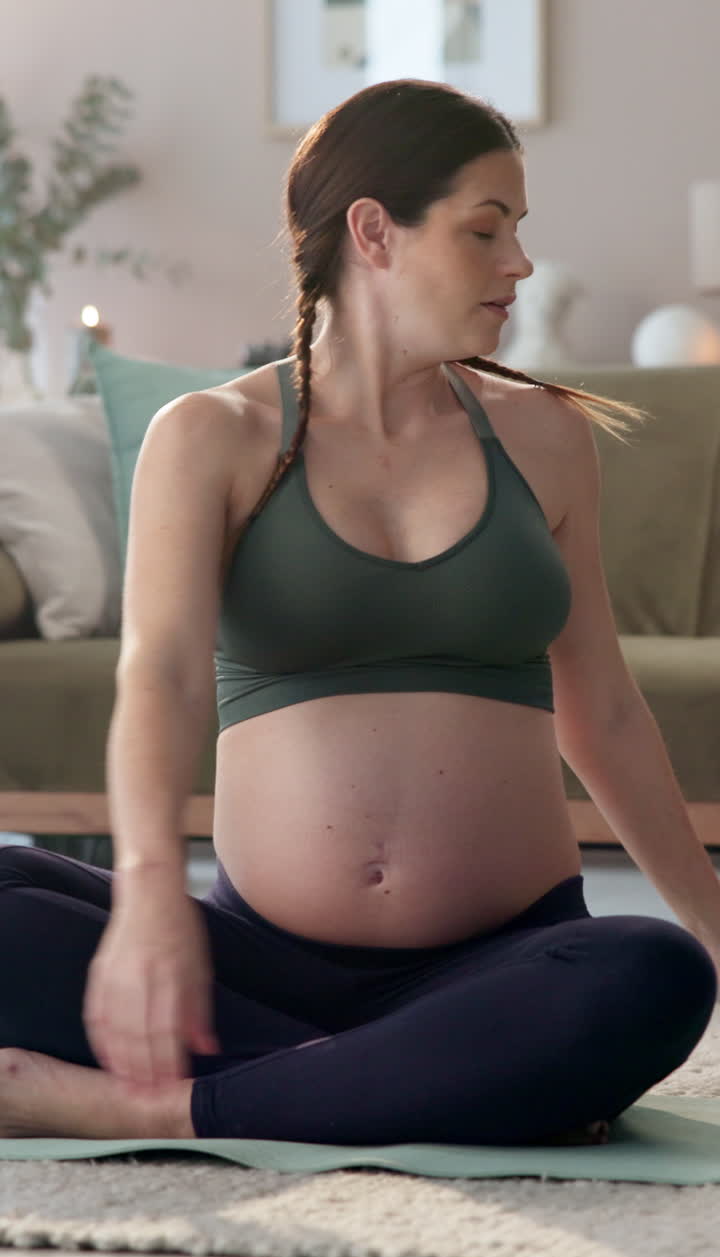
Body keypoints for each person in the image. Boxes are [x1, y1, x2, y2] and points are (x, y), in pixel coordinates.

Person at [0, 79, 716, 1146]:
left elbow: (601, 706)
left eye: (519, 232)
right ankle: (395, 1082)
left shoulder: (545, 436)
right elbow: (160, 673)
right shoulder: (213, 436)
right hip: (254, 964)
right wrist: (149, 897)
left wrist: (711, 919)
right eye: (487, 229)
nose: (517, 262)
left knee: (650, 972)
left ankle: (172, 1103)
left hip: (501, 955)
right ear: (373, 231)